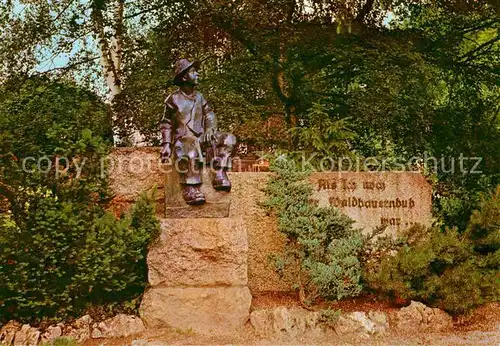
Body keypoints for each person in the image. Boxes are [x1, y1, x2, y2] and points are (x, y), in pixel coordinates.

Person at [160, 58, 236, 205]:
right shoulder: (173, 99)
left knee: (229, 139)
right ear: (183, 77)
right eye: (193, 71)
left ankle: (219, 174)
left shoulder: (200, 97)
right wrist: (166, 144)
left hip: (201, 138)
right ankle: (190, 187)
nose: (197, 74)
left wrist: (210, 129)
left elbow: (209, 114)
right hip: (184, 140)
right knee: (189, 149)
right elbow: (166, 123)